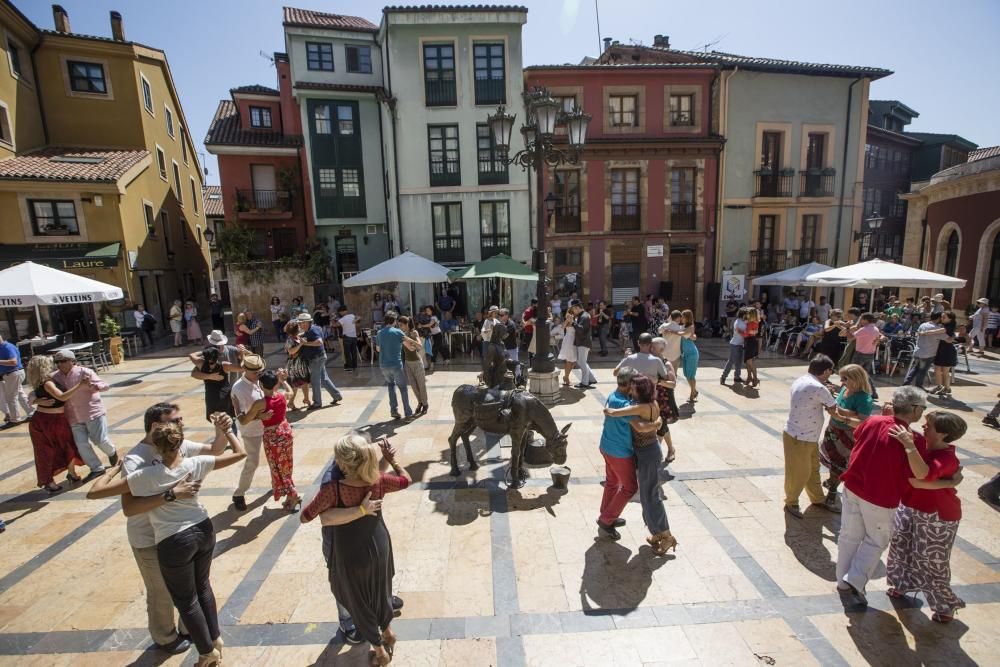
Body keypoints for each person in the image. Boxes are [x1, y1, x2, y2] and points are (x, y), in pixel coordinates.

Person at [89, 420, 246, 667]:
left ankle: (207, 653)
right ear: (180, 443)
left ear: (157, 449)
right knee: (203, 586)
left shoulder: (144, 476)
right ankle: (215, 639)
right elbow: (240, 453)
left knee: (186, 599)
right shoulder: (195, 464)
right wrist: (227, 431)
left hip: (174, 540)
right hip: (203, 528)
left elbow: (95, 492)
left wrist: (113, 469)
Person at [301, 433, 411, 666]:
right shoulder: (378, 480)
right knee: (381, 593)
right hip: (380, 546)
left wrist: (348, 512)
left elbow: (306, 516)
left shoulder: (334, 488)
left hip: (353, 553)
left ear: (342, 463)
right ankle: (389, 633)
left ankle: (380, 653)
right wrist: (391, 460)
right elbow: (404, 480)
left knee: (359, 603)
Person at [836, 385, 933, 606]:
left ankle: (843, 581)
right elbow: (921, 473)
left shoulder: (873, 421)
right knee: (877, 539)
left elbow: (860, 436)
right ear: (915, 409)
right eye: (923, 408)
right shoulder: (912, 438)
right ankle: (855, 580)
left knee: (849, 536)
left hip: (853, 487)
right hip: (880, 496)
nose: (923, 413)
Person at [885, 411, 967, 623]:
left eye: (928, 425)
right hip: (911, 505)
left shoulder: (947, 458)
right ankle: (901, 584)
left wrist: (909, 447)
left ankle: (945, 606)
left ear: (942, 434)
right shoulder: (925, 445)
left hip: (937, 515)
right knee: (901, 546)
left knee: (931, 561)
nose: (923, 427)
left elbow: (918, 479)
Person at [603, 373, 675, 555]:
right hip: (645, 453)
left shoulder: (640, 407)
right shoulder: (649, 403)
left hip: (648, 454)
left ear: (640, 390)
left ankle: (667, 536)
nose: (630, 389)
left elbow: (626, 419)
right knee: (646, 495)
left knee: (651, 495)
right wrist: (657, 423)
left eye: (633, 387)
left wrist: (610, 409)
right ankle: (657, 532)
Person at [782, 354, 842, 518]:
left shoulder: (802, 379)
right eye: (831, 371)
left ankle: (817, 498)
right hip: (801, 437)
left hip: (802, 435)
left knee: (812, 469)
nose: (831, 375)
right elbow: (834, 409)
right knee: (799, 472)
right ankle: (791, 501)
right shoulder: (819, 388)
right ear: (826, 371)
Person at [52, 349, 117, 475]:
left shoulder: (84, 372)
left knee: (100, 440)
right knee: (81, 444)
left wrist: (93, 386)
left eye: (63, 361)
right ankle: (96, 468)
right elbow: (43, 386)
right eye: (57, 362)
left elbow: (104, 385)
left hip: (92, 412)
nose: (60, 364)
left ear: (72, 361)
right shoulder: (55, 377)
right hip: (72, 416)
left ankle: (111, 452)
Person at [243, 370, 301, 511]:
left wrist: (259, 416)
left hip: (273, 437)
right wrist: (283, 381)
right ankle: (289, 495)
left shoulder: (260, 403)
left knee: (279, 468)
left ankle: (293, 495)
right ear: (275, 384)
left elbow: (245, 420)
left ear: (261, 385)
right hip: (285, 432)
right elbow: (291, 393)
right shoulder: (281, 396)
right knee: (287, 465)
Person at [819, 364, 875, 509]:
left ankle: (832, 491)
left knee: (839, 464)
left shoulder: (864, 398)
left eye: (845, 378)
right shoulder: (845, 389)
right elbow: (844, 408)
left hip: (847, 435)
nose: (841, 382)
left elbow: (862, 421)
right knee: (831, 460)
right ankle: (831, 482)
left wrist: (841, 416)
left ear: (856, 379)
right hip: (833, 429)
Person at [25, 355, 84, 492]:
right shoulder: (48, 382)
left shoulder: (38, 382)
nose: (54, 365)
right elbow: (62, 396)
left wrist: (35, 401)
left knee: (44, 452)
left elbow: (32, 394)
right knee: (66, 445)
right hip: (53, 420)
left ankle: (51, 481)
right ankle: (70, 475)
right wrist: (80, 385)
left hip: (40, 420)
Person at [615, 333, 675, 463]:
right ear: (650, 345)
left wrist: (625, 359)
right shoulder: (656, 361)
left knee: (637, 427)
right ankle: (654, 455)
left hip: (634, 398)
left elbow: (616, 372)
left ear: (638, 343)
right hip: (651, 399)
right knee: (654, 427)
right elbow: (664, 377)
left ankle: (652, 454)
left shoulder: (630, 358)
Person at [596, 369, 639, 541]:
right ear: (629, 384)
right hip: (619, 453)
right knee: (630, 488)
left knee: (612, 483)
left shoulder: (613, 395)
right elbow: (640, 426)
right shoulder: (625, 405)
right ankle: (607, 519)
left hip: (606, 447)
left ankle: (606, 514)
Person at [230, 353, 267, 511]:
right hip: (251, 430)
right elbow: (244, 417)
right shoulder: (239, 388)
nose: (258, 375)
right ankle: (239, 493)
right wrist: (260, 415)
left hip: (266, 426)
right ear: (245, 370)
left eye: (259, 372)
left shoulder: (257, 380)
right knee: (253, 462)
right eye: (255, 372)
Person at [294, 313, 342, 410]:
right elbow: (312, 335)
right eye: (300, 323)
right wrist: (301, 335)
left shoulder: (312, 330)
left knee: (315, 381)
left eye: (302, 322)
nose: (300, 324)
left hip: (316, 359)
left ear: (308, 322)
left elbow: (319, 342)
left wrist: (305, 343)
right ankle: (337, 396)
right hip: (319, 357)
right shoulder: (313, 328)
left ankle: (317, 403)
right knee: (324, 378)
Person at [376, 311, 415, 420]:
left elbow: (378, 349)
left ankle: (394, 410)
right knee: (403, 388)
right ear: (394, 321)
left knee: (390, 386)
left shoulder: (379, 333)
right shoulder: (398, 332)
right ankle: (408, 413)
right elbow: (409, 347)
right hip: (396, 364)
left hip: (384, 365)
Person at [190, 346, 236, 423]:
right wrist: (243, 354)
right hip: (224, 396)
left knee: (217, 422)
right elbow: (242, 367)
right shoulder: (224, 365)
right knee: (229, 421)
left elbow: (191, 355)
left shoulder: (201, 364)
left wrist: (204, 352)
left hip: (211, 397)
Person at [903, 311, 946, 388]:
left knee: (915, 368)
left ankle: (906, 382)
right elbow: (947, 338)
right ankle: (918, 387)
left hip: (918, 351)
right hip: (927, 354)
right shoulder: (937, 328)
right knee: (922, 371)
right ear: (939, 318)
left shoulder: (923, 324)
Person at [848, 313, 884, 400]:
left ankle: (850, 392)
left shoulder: (864, 329)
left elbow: (850, 338)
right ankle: (873, 392)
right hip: (870, 354)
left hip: (860, 354)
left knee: (853, 373)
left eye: (862, 319)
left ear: (866, 320)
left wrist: (849, 329)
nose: (860, 321)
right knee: (865, 374)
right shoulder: (875, 329)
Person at [398, 316, 428, 415]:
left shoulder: (414, 332)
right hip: (407, 363)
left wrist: (408, 339)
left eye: (401, 325)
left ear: (406, 324)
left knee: (421, 385)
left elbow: (419, 346)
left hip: (417, 362)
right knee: (414, 386)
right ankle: (420, 402)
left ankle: (425, 404)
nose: (400, 327)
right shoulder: (401, 334)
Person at [0, 333, 31, 426]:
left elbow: (13, 362)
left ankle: (15, 419)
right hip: (12, 374)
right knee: (20, 395)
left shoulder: (7, 347)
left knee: (11, 397)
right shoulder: (3, 347)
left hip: (13, 373)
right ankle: (31, 412)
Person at [282, 321, 312, 410]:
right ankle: (291, 403)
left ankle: (306, 399)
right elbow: (290, 351)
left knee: (305, 381)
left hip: (301, 364)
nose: (300, 327)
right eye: (298, 327)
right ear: (294, 330)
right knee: (295, 384)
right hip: (294, 365)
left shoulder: (297, 336)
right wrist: (301, 344)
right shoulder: (290, 339)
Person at [930, 311, 958, 398]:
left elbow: (946, 337)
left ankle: (947, 388)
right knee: (937, 369)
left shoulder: (949, 327)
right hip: (939, 349)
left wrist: (927, 333)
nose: (942, 319)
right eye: (941, 317)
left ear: (950, 319)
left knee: (945, 371)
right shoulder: (941, 325)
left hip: (947, 351)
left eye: (944, 317)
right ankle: (939, 386)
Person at [571, 300, 597, 388]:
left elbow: (581, 330)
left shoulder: (584, 316)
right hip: (583, 342)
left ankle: (585, 382)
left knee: (582, 362)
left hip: (583, 342)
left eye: (574, 309)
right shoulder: (583, 315)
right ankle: (591, 379)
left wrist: (572, 323)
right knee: (582, 362)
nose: (573, 311)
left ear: (577, 308)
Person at [720, 306, 747, 385]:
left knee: (739, 361)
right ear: (743, 314)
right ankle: (723, 376)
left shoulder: (744, 321)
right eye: (746, 314)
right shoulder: (738, 322)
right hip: (735, 344)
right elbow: (741, 332)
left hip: (740, 344)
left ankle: (737, 377)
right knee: (731, 361)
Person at [679, 309, 699, 402]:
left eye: (683, 316)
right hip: (686, 354)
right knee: (686, 374)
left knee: (691, 375)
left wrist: (674, 332)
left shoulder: (690, 326)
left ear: (687, 317)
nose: (681, 318)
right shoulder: (683, 326)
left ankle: (692, 394)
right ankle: (694, 391)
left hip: (692, 353)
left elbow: (684, 333)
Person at [337, 305, 359, 372]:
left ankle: (349, 366)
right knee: (354, 352)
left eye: (340, 312)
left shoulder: (342, 319)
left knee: (347, 353)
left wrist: (332, 320)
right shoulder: (352, 316)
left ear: (342, 311)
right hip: (354, 337)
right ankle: (355, 366)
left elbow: (335, 325)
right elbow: (358, 319)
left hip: (347, 337)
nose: (340, 313)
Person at [557, 309, 576, 386]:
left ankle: (566, 376)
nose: (571, 315)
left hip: (575, 341)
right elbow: (562, 327)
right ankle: (566, 377)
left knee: (574, 361)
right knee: (569, 360)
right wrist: (568, 320)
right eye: (570, 313)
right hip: (569, 341)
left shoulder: (576, 319)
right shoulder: (568, 320)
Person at [743, 307, 761, 388]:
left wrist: (747, 331)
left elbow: (753, 331)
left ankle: (755, 378)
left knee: (750, 361)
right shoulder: (750, 322)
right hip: (748, 341)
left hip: (751, 341)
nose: (747, 314)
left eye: (748, 313)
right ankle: (749, 377)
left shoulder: (753, 322)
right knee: (747, 361)